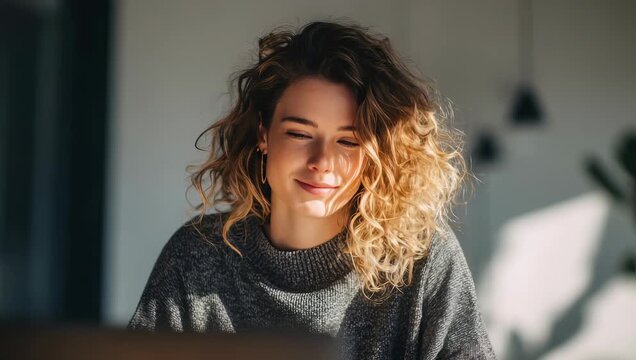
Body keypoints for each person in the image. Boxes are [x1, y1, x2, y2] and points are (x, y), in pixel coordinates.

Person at [127, 19, 497, 359]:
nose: (322, 161)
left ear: (376, 154)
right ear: (263, 134)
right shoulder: (196, 256)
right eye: (300, 134)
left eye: (349, 142)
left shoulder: (421, 258)